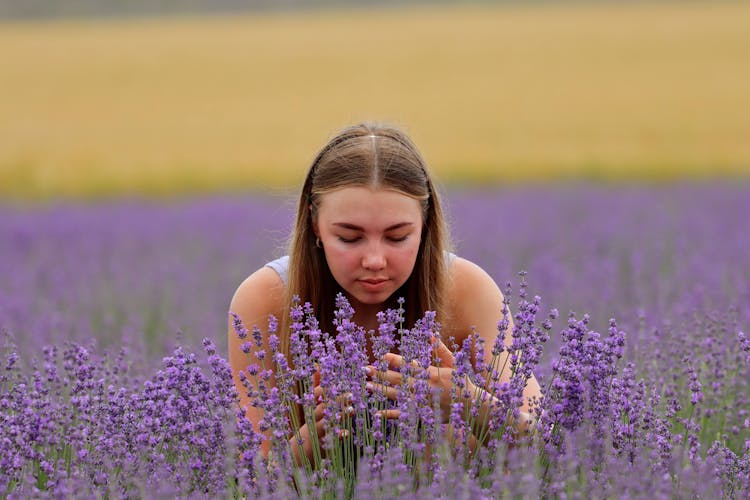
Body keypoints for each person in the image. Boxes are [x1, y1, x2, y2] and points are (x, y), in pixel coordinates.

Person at [227, 122, 541, 466]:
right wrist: (306, 448)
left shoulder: (467, 291)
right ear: (315, 225)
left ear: (424, 226)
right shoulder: (267, 299)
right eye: (349, 237)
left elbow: (543, 442)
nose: (374, 260)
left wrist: (470, 404)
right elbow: (251, 478)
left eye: (397, 237)